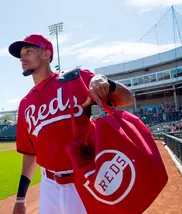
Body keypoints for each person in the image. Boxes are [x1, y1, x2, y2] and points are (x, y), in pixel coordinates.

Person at [8, 34, 134, 214]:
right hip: (48, 186)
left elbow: (127, 98)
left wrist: (107, 83)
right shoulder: (25, 104)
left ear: (46, 54)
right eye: (21, 54)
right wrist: (20, 198)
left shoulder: (75, 79)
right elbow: (30, 154)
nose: (22, 57)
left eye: (28, 51)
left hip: (83, 182)